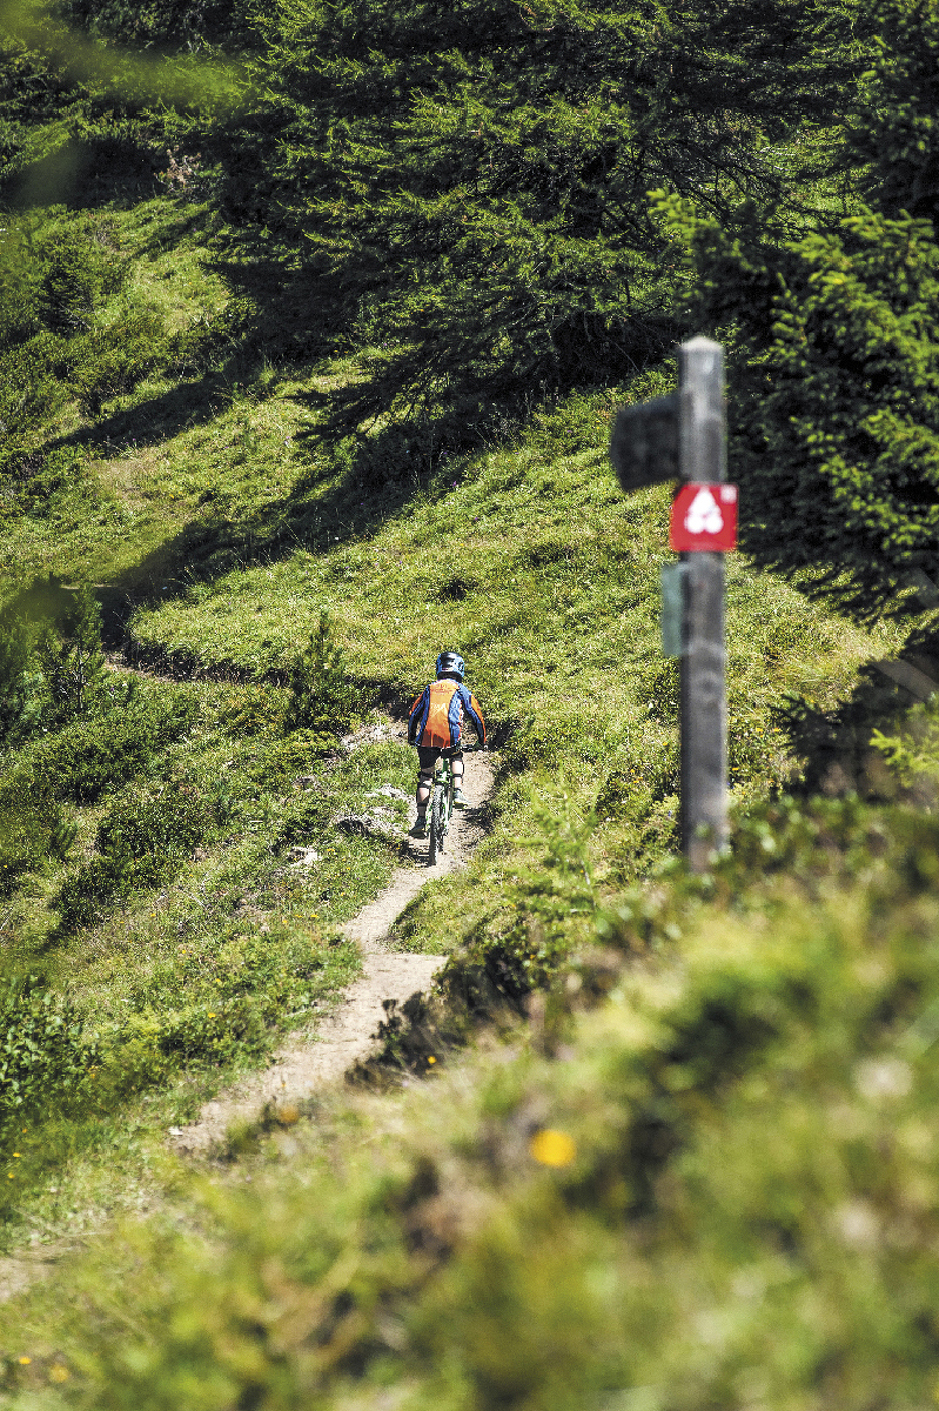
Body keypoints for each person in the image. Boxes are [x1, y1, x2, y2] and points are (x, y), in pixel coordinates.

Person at [407, 651, 486, 838]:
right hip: (450, 738)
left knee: (426, 775)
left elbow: (414, 714)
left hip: (425, 740)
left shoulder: (429, 688)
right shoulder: (460, 689)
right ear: (460, 668)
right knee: (456, 755)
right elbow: (476, 716)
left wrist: (412, 737)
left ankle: (420, 820)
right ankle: (457, 791)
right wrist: (481, 741)